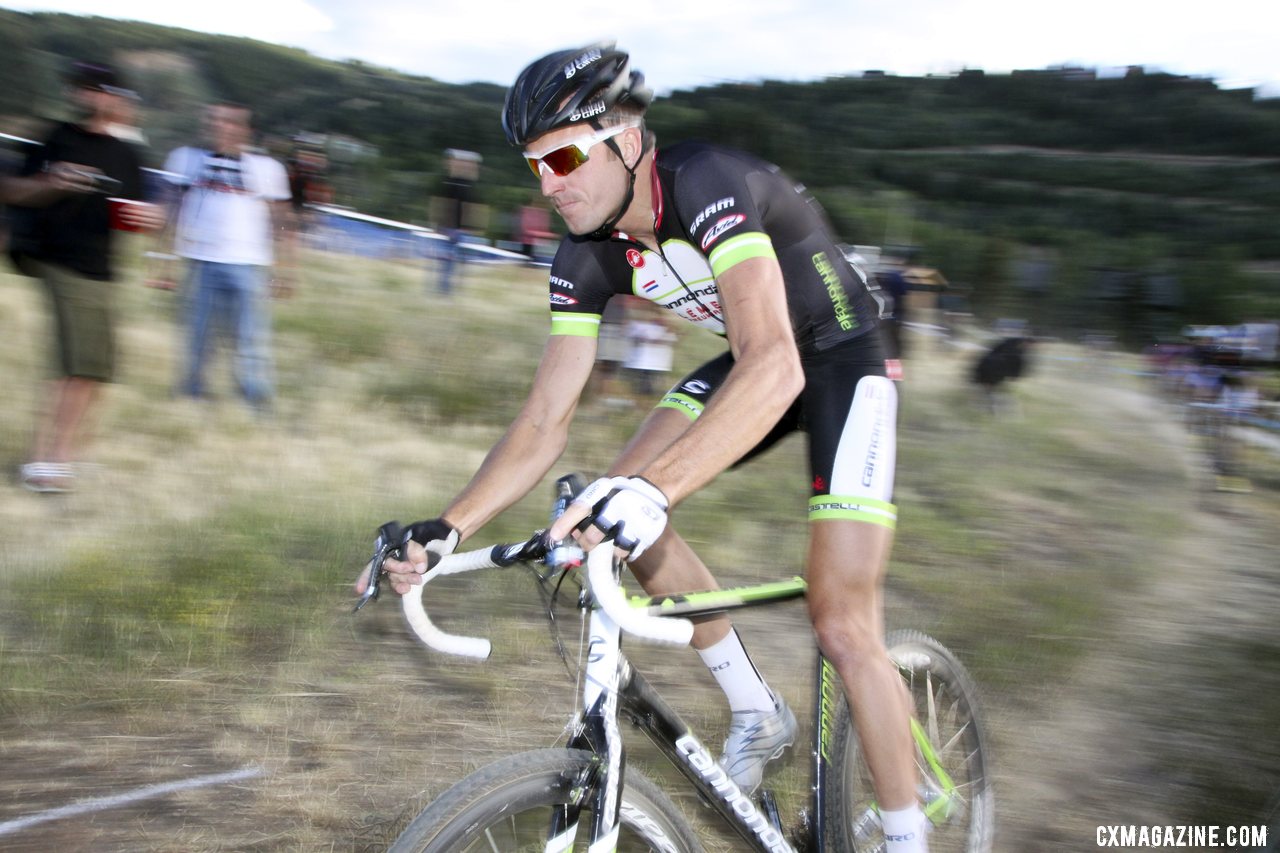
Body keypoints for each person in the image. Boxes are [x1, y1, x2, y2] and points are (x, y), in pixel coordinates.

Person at [360, 43, 927, 851]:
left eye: (563, 156)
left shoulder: (704, 184)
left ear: (626, 140)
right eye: (534, 167)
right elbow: (542, 421)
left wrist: (657, 488)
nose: (550, 184)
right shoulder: (584, 252)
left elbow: (776, 362)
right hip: (754, 357)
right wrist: (449, 525)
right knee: (605, 500)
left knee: (841, 621)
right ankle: (756, 709)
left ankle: (909, 835)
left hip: (837, 357)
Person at [5, 61, 163, 493]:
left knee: (92, 370)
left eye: (99, 89)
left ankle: (62, 457)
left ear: (116, 98)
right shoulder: (58, 137)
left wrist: (149, 217)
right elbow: (13, 190)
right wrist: (54, 181)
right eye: (83, 88)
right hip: (56, 260)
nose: (90, 96)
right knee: (72, 364)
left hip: (100, 269)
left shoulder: (127, 154)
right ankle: (43, 461)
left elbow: (137, 215)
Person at [153, 102, 296, 411]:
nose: (221, 127)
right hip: (199, 261)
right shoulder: (185, 159)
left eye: (230, 122)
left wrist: (285, 268)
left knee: (250, 339)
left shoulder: (268, 169)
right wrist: (162, 261)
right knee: (197, 337)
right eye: (214, 120)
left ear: (246, 130)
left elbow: (282, 219)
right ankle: (191, 397)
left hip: (248, 263)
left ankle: (254, 402)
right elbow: (170, 212)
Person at [431, 148, 482, 295]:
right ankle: (444, 290)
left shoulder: (467, 185)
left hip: (459, 229)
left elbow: (471, 207)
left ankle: (450, 290)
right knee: (447, 262)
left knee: (457, 262)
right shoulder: (449, 183)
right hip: (450, 228)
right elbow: (443, 204)